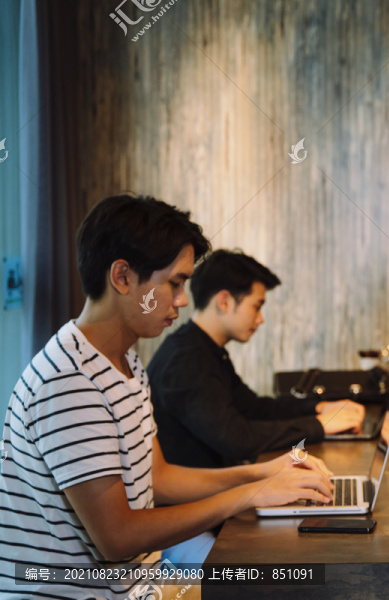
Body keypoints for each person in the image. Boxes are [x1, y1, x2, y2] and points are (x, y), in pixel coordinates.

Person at [0, 195, 334, 600]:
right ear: (122, 277)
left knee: (293, 581)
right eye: (175, 283)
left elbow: (159, 478)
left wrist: (262, 473)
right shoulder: (69, 381)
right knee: (288, 588)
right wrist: (248, 495)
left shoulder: (125, 363)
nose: (181, 300)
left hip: (142, 588)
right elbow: (118, 537)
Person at [147, 249, 365, 471]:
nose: (260, 319)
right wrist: (319, 425)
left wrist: (318, 407)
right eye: (257, 306)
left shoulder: (205, 349)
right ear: (224, 301)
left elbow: (253, 407)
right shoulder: (185, 360)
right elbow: (236, 438)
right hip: (195, 501)